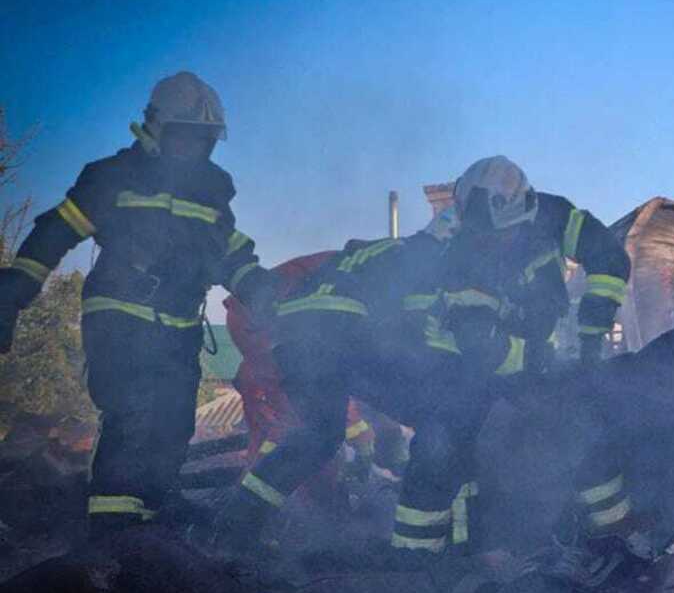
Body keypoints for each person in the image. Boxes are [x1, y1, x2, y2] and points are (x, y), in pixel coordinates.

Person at [216, 155, 634, 559]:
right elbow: (475, 347)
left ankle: (234, 526)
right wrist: (542, 362)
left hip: (303, 338)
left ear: (523, 214)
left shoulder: (550, 217)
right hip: (337, 341)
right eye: (480, 234)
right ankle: (425, 554)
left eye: (498, 235)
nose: (491, 243)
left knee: (322, 437)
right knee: (451, 423)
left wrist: (591, 335)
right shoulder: (458, 255)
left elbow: (610, 258)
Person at [0, 72, 276, 535]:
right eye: (183, 136)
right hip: (120, 317)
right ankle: (112, 542)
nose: (191, 147)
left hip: (179, 328)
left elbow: (231, 254)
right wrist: (13, 292)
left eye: (201, 140)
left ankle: (154, 515)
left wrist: (267, 295)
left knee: (173, 425)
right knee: (132, 417)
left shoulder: (212, 191)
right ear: (156, 128)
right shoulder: (113, 177)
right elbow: (55, 231)